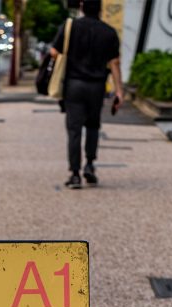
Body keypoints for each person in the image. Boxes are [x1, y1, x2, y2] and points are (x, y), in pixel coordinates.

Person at [50, 0, 124, 188]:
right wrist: (119, 91)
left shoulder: (70, 27)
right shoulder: (109, 32)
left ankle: (75, 174)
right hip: (97, 87)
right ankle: (90, 165)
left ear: (81, 7)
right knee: (93, 126)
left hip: (74, 85)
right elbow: (114, 63)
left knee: (74, 130)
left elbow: (53, 52)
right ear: (100, 9)